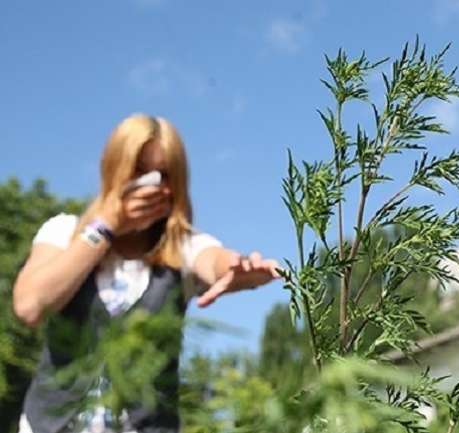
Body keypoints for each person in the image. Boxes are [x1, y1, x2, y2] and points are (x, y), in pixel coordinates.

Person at [12, 114, 281, 433]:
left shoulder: (183, 249)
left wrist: (237, 269)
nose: (151, 185)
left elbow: (214, 261)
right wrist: (106, 226)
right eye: (139, 170)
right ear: (115, 167)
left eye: (163, 174)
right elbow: (30, 305)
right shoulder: (64, 232)